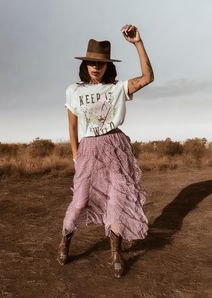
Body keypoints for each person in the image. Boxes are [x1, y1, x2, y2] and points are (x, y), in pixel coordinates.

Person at [57, 24, 154, 278]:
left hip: (116, 147)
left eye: (100, 64)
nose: (95, 67)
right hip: (89, 149)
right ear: (86, 64)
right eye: (91, 62)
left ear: (108, 66)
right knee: (79, 202)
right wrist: (76, 155)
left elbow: (147, 78)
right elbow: (73, 125)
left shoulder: (117, 88)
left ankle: (115, 252)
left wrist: (138, 44)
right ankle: (66, 239)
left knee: (117, 200)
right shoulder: (74, 91)